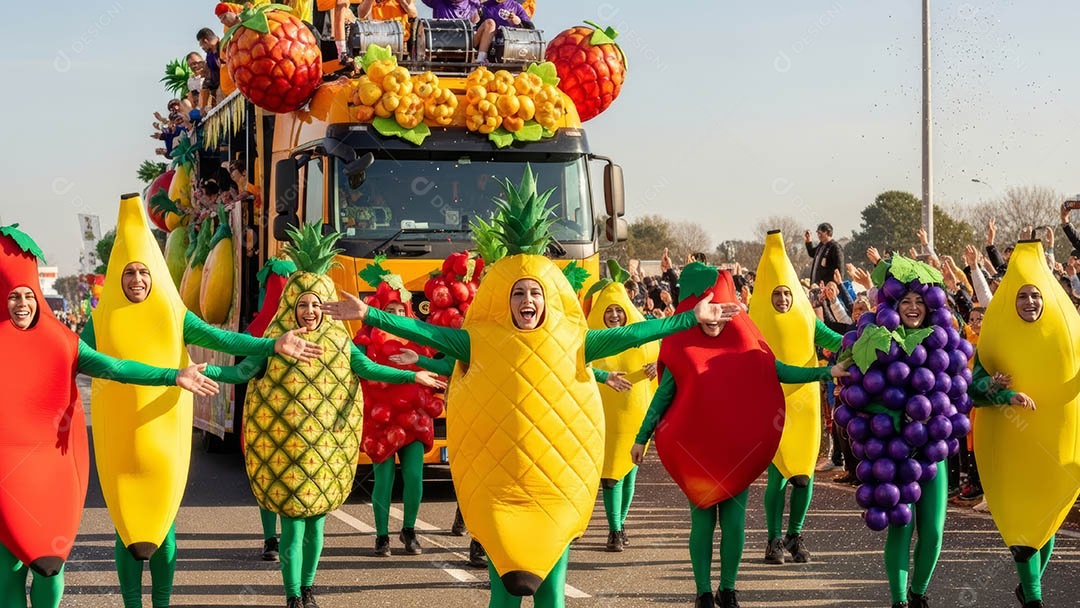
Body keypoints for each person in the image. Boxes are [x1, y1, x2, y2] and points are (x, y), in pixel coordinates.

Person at [324, 169, 736, 608]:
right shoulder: (476, 340)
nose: (527, 301)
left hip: (554, 488)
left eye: (535, 293)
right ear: (506, 299)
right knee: (503, 596)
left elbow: (638, 333)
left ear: (547, 299)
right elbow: (421, 331)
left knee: (552, 595)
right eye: (518, 293)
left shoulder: (578, 341)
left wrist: (692, 317)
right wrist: (369, 316)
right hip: (499, 489)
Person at [216, 224, 443, 608]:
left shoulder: (340, 341)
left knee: (317, 523)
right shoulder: (275, 340)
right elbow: (240, 373)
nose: (309, 311)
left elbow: (370, 369)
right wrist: (201, 373)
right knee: (292, 523)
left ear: (325, 306)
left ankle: (308, 588)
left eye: (316, 304)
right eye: (302, 304)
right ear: (291, 305)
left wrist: (413, 373)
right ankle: (291, 595)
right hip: (284, 448)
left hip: (325, 448)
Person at [0, 224, 218, 608]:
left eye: (28, 296)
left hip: (52, 469)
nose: (22, 304)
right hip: (6, 469)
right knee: (8, 567)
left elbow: (117, 369)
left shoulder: (62, 343)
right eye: (14, 297)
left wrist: (174, 375)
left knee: (50, 564)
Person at [631, 265, 848, 608]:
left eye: (721, 309)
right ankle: (703, 591)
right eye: (708, 310)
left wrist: (828, 371)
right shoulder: (681, 347)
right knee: (702, 524)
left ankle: (728, 588)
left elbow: (781, 371)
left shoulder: (748, 343)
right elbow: (662, 397)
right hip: (696, 454)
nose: (714, 318)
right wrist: (641, 438)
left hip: (736, 452)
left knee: (734, 526)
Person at [973, 239, 1068, 608]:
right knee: (1024, 528)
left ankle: (1030, 587)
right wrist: (1001, 391)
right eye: (1022, 296)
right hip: (1009, 444)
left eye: (1035, 295)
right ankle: (1034, 599)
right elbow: (973, 390)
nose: (1030, 301)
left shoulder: (1067, 335)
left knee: (1048, 522)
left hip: (1052, 444)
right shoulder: (993, 337)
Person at [750, 231, 844, 567]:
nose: (783, 299)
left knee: (804, 475)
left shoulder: (806, 318)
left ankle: (795, 534)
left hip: (805, 408)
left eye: (787, 294)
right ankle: (773, 539)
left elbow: (837, 339)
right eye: (777, 294)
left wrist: (868, 335)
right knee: (778, 475)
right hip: (772, 407)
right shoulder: (753, 324)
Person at [583, 263, 659, 552]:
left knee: (629, 472)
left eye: (619, 310)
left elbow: (667, 352)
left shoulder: (643, 335)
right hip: (604, 417)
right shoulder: (589, 339)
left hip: (636, 414)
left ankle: (621, 523)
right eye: (609, 311)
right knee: (611, 474)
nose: (614, 315)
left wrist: (658, 365)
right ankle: (614, 529)